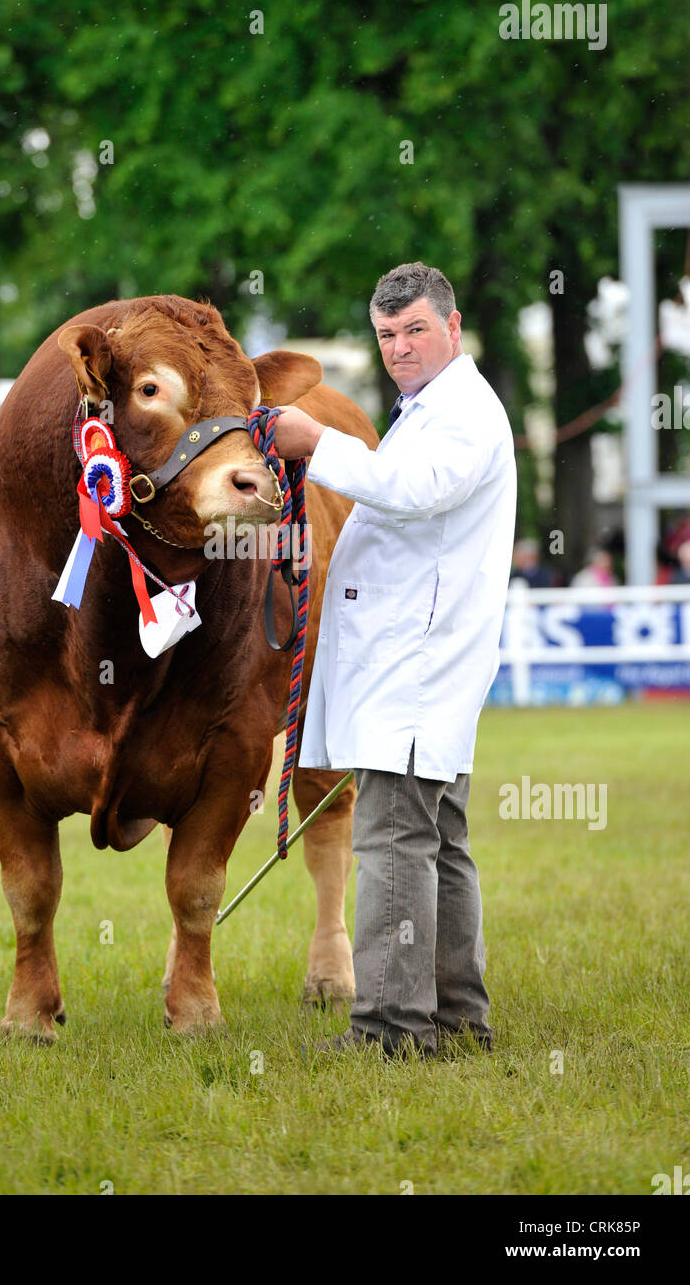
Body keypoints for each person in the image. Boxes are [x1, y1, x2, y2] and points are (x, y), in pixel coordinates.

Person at [272, 262, 516, 1058]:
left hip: (418, 667)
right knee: (437, 843)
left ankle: (390, 1029)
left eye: (414, 330)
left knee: (391, 843)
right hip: (412, 666)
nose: (400, 347)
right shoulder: (428, 410)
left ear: (452, 326)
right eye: (386, 335)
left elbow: (411, 490)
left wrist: (317, 443)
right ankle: (456, 1016)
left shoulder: (463, 415)